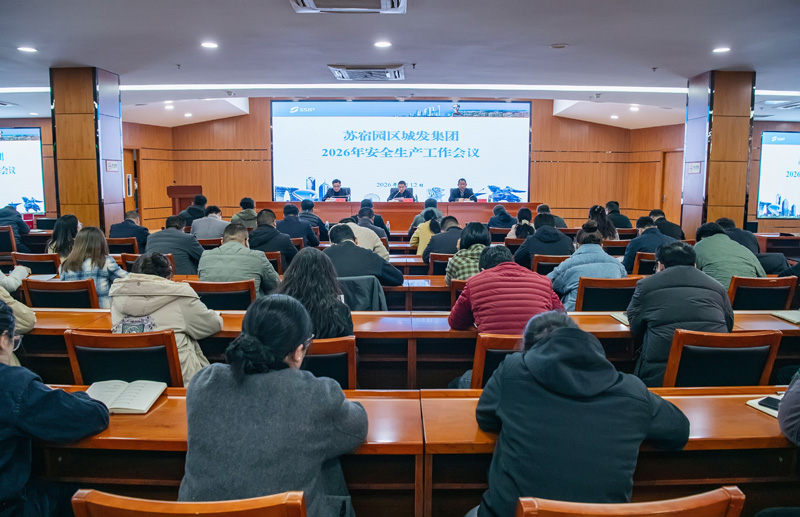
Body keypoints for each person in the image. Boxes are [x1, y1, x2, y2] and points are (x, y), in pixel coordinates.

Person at [468, 311, 689, 517]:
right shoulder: (633, 391)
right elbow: (678, 431)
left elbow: (486, 418)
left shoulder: (512, 371)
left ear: (530, 347)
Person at [178, 295, 368, 517]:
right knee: (329, 465)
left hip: (197, 512)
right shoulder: (315, 394)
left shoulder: (204, 383)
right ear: (298, 351)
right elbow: (357, 427)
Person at [0, 300, 109, 517]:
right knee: (84, 496)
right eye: (14, 341)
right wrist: (80, 396)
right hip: (10, 509)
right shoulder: (12, 385)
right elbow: (91, 416)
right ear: (3, 340)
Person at [627, 241, 734, 387]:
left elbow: (635, 327)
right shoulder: (717, 286)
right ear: (694, 265)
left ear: (660, 265)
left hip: (661, 376)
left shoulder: (646, 285)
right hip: (716, 373)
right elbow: (729, 324)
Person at [110, 253, 223, 384]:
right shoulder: (180, 295)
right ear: (168, 276)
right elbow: (213, 324)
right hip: (179, 383)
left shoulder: (117, 296)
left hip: (130, 378)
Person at [448, 246, 564, 334]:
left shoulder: (474, 282)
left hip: (492, 355)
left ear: (483, 270)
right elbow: (561, 317)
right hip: (535, 354)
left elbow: (455, 322)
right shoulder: (543, 281)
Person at [547, 221, 627, 311]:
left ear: (578, 245)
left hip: (574, 315)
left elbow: (549, 282)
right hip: (611, 315)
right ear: (601, 245)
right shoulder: (617, 265)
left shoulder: (567, 264)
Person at [276, 247, 353, 339]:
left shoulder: (279, 308)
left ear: (291, 273)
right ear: (327, 275)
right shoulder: (340, 310)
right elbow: (348, 342)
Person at [198, 224, 280, 296]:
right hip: (249, 308)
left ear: (222, 241)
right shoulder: (258, 256)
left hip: (210, 308)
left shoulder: (205, 256)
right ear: (246, 241)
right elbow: (275, 284)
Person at [60, 227, 128, 308]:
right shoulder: (105, 262)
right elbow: (129, 280)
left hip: (75, 313)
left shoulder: (64, 265)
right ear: (101, 243)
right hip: (102, 313)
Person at [324, 224, 403, 286]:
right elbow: (398, 278)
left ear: (332, 244)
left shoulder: (322, 256)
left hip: (331, 302)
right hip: (365, 302)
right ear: (356, 240)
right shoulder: (371, 256)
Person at [694, 222, 766, 289]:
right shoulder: (743, 249)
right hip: (751, 295)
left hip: (717, 296)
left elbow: (691, 274)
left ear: (702, 238)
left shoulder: (699, 246)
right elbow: (763, 276)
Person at [445, 222, 491, 286]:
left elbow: (448, 282)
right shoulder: (494, 257)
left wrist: (459, 251)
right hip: (488, 292)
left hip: (464, 292)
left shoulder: (456, 259)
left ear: (463, 239)